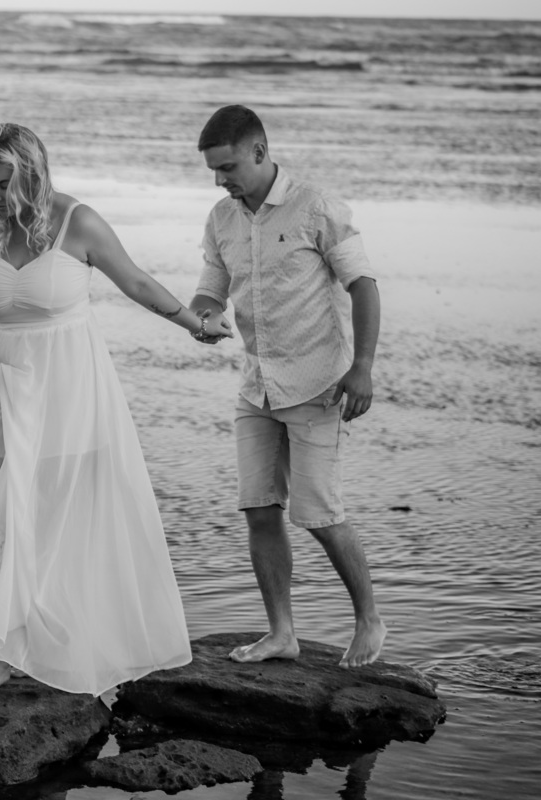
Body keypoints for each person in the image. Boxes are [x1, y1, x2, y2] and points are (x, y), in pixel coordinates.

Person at [0, 123, 230, 695]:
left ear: (32, 174)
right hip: (10, 391)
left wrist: (195, 324)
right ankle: (27, 641)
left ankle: (8, 652)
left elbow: (134, 281)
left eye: (4, 184)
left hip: (73, 388)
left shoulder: (77, 221)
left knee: (57, 517)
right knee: (21, 517)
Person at [189, 105, 387, 668]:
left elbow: (364, 285)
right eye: (213, 171)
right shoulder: (222, 217)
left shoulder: (316, 207)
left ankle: (369, 619)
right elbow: (212, 285)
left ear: (259, 151)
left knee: (319, 515)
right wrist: (204, 316)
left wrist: (363, 367)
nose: (221, 180)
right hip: (256, 389)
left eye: (228, 167)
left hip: (318, 385)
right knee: (258, 509)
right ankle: (282, 633)